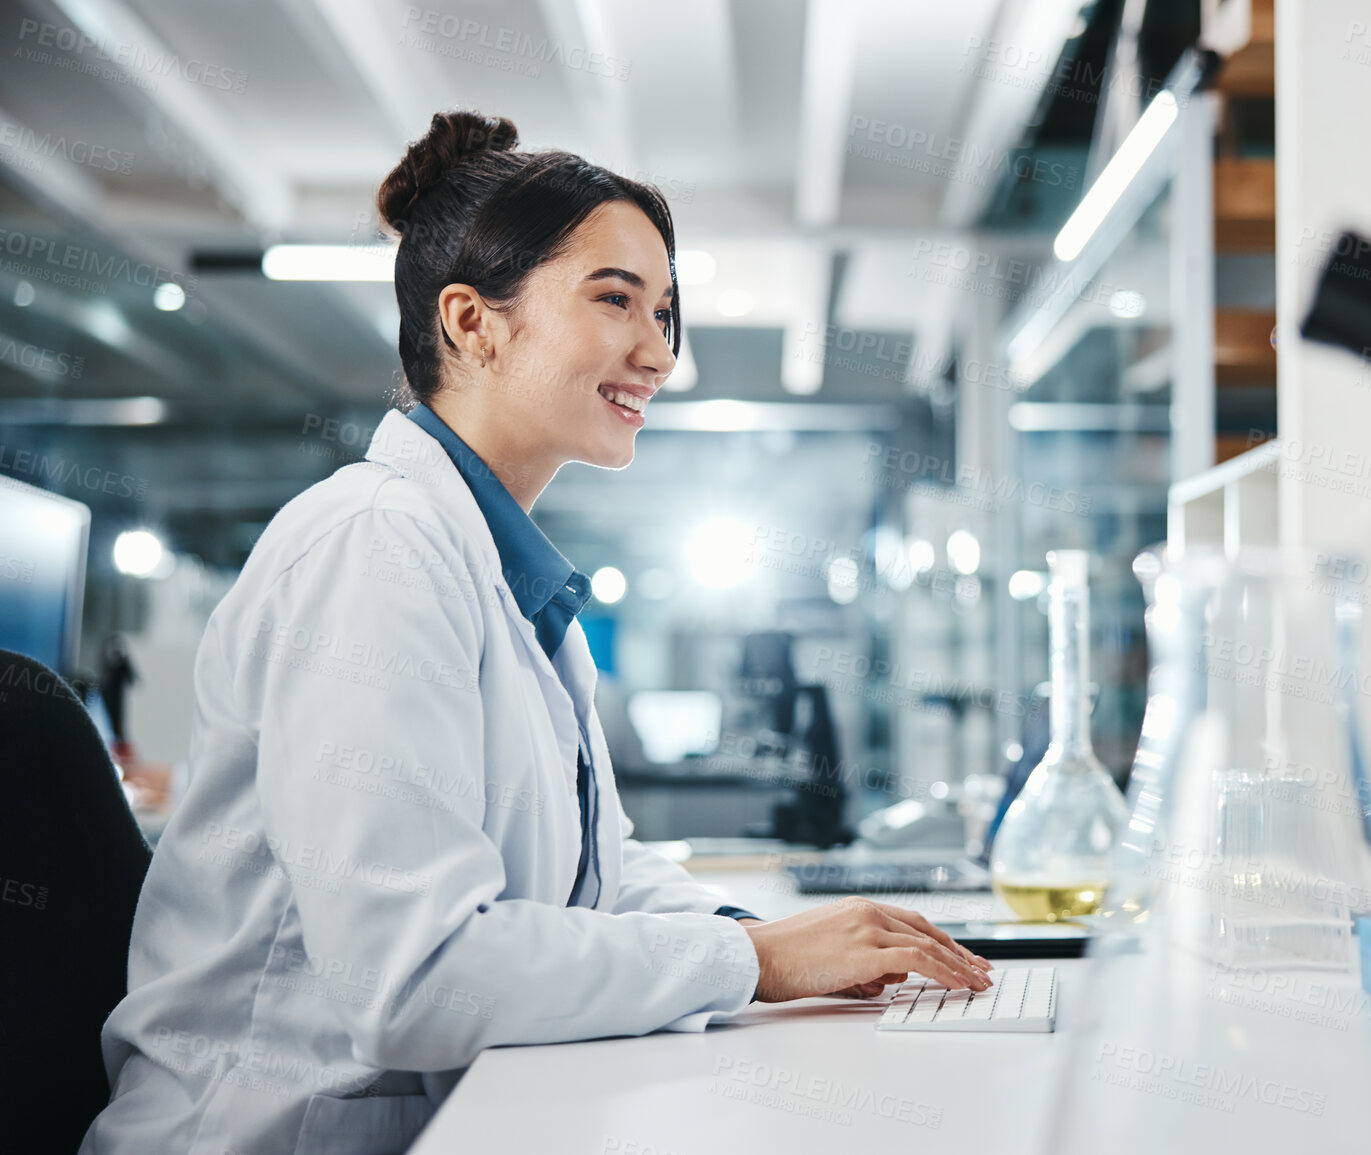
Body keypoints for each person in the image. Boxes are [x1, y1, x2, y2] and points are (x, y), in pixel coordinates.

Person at [79, 111, 993, 1155]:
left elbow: (593, 871)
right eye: (616, 301)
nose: (657, 352)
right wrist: (759, 966)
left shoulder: (492, 566)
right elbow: (414, 979)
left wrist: (753, 937)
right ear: (474, 323)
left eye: (665, 312)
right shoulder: (375, 549)